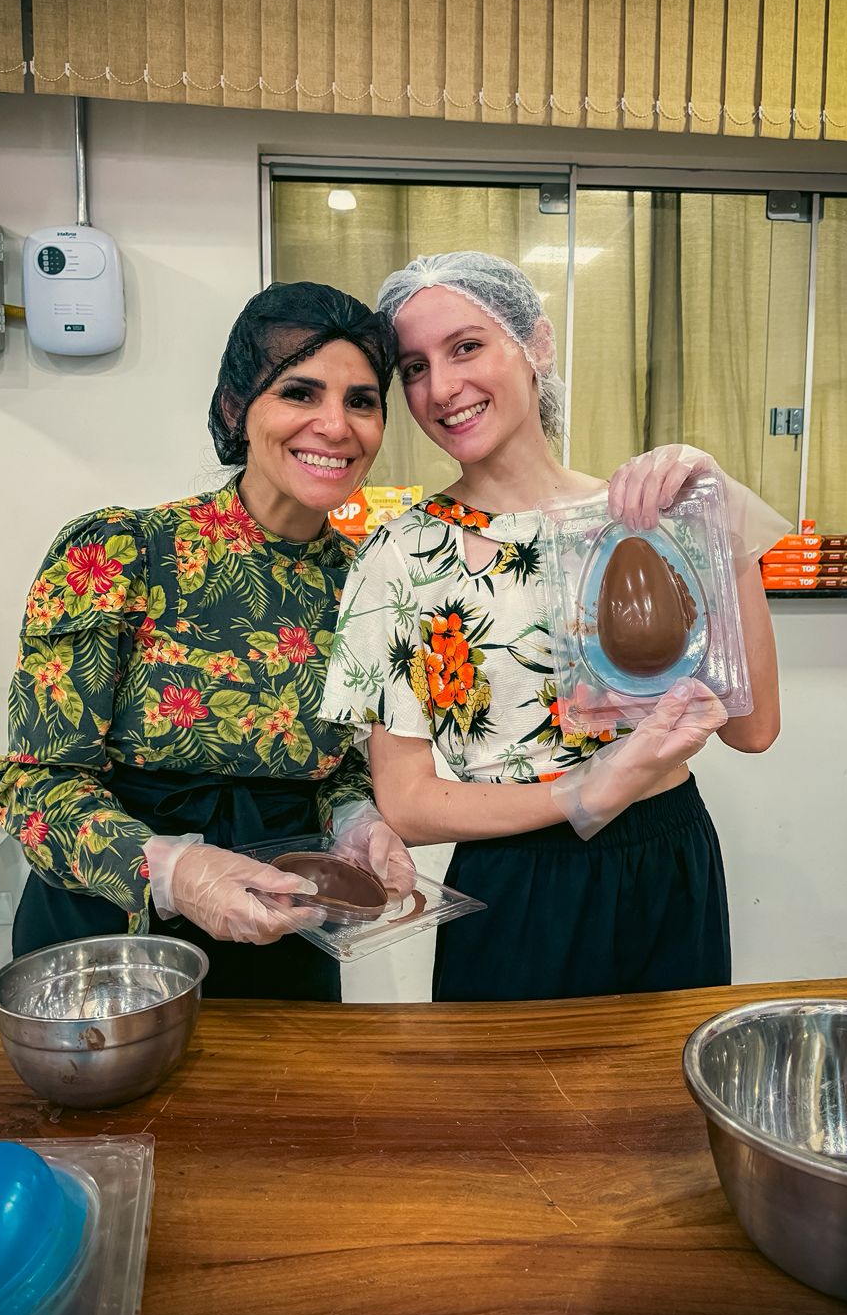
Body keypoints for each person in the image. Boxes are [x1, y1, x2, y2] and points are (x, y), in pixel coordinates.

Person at [321, 252, 784, 1002]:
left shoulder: (644, 518)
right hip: (518, 880)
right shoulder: (401, 556)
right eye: (414, 368)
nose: (441, 388)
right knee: (510, 1082)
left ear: (536, 343)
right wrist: (583, 792)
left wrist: (717, 509)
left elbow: (753, 728)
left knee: (665, 1076)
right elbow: (405, 803)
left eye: (466, 347)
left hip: (668, 858)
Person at [0, 282, 413, 1002]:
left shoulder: (365, 584)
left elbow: (337, 762)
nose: (335, 426)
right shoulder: (122, 551)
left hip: (284, 929)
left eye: (362, 402)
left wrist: (356, 819)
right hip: (111, 936)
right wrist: (176, 871)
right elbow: (34, 787)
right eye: (300, 393)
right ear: (234, 409)